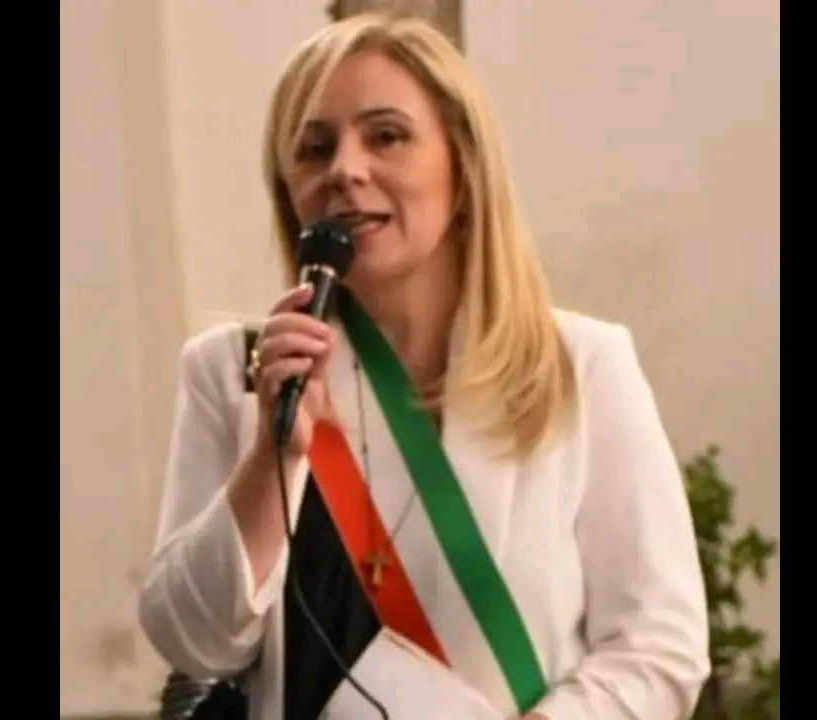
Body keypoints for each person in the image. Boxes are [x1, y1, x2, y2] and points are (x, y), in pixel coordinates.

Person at [139, 13, 709, 720]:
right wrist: (271, 458)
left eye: (386, 136)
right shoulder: (236, 372)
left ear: (463, 170)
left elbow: (660, 645)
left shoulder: (582, 368)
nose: (345, 169)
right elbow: (194, 643)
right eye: (314, 148)